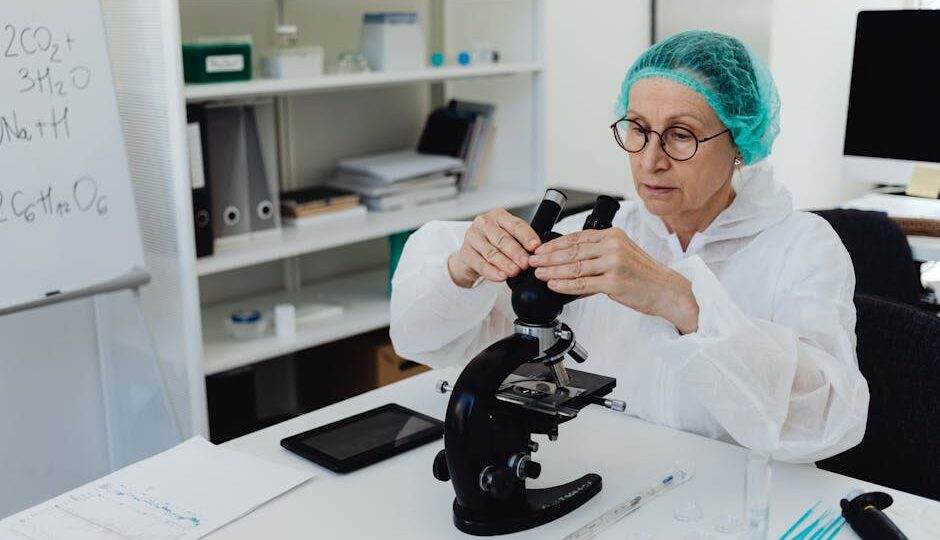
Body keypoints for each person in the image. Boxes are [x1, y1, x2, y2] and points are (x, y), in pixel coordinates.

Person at [389, 31, 869, 463]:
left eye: (681, 135)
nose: (650, 161)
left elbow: (828, 421)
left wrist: (681, 302)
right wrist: (463, 268)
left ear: (740, 142)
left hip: (734, 504)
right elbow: (426, 341)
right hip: (615, 482)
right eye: (637, 129)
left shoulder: (802, 248)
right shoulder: (591, 236)